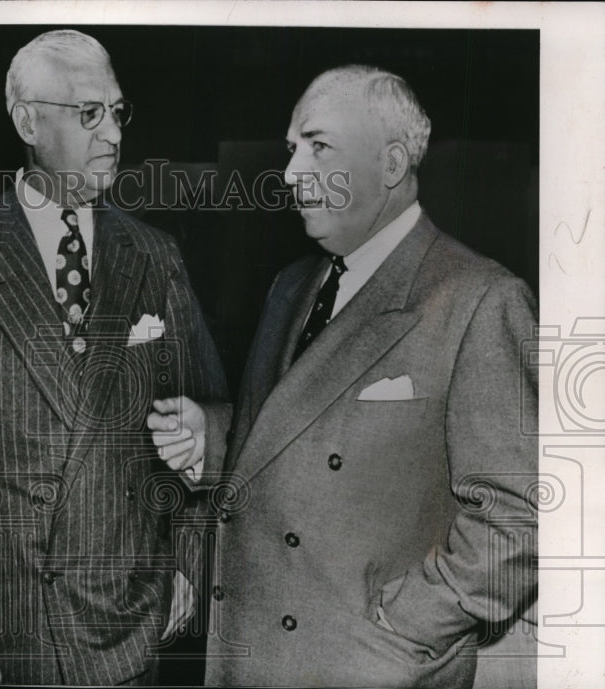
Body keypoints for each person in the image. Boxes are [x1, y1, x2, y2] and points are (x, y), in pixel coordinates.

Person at [149, 65, 538, 688]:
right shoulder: (291, 287)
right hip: (250, 654)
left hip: (364, 667)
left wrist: (402, 626)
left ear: (390, 165)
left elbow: (519, 518)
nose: (291, 172)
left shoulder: (480, 300)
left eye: (319, 146)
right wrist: (213, 433)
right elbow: (279, 434)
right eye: (292, 148)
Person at [0, 30, 229, 686]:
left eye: (118, 112)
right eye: (87, 112)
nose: (112, 134)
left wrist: (186, 560)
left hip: (129, 618)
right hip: (9, 625)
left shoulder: (155, 254)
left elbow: (206, 417)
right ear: (27, 121)